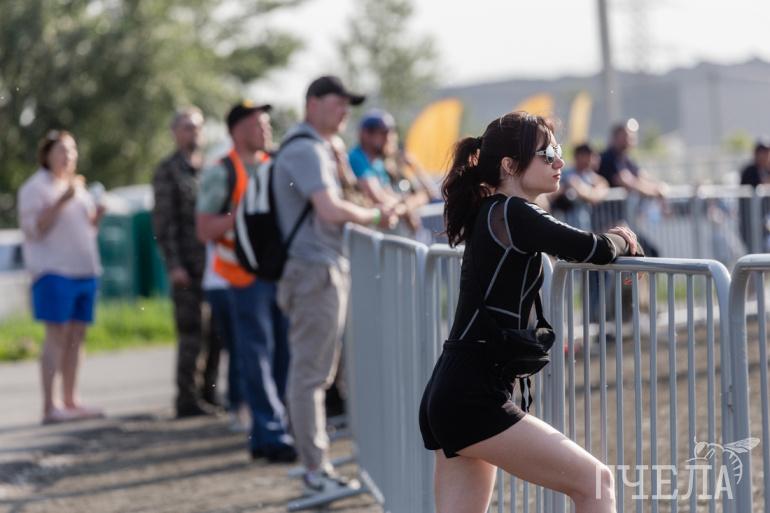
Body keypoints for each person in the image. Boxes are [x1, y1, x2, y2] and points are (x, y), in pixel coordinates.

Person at [419, 112, 642, 513]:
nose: (560, 161)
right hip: (473, 394)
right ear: (509, 165)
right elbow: (593, 249)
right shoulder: (513, 212)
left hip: (454, 388)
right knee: (597, 483)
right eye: (548, 153)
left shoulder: (493, 210)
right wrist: (622, 237)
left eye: (558, 150)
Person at [273, 75, 396, 494]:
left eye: (347, 103)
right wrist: (376, 216)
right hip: (313, 271)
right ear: (312, 104)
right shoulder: (306, 149)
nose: (345, 111)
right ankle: (315, 471)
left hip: (318, 269)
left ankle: (318, 466)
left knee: (316, 375)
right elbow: (328, 209)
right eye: (336, 102)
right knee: (311, 376)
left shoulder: (320, 147)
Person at [196, 101, 296, 463]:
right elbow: (204, 229)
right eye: (258, 124)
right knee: (256, 357)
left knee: (282, 356)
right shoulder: (221, 171)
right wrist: (241, 215)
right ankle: (272, 433)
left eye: (266, 123)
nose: (265, 129)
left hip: (278, 275)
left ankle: (269, 434)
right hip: (241, 279)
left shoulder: (276, 163)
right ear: (237, 130)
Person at [18, 130, 105, 425]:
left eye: (72, 150)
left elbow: (84, 230)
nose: (68, 156)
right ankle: (49, 407)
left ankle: (70, 400)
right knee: (56, 336)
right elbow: (35, 229)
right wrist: (61, 202)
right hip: (54, 272)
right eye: (61, 151)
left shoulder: (76, 187)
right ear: (47, 155)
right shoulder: (35, 188)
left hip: (84, 271)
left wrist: (97, 218)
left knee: (77, 337)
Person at [152, 107, 219, 418]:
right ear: (175, 133)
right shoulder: (168, 171)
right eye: (187, 127)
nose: (194, 133)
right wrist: (174, 264)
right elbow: (163, 224)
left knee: (216, 332)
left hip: (213, 265)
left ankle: (210, 392)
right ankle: (187, 398)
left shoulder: (210, 168)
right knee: (191, 332)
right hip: (187, 266)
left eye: (197, 127)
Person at [348, 109, 427, 231]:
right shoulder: (357, 157)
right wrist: (407, 208)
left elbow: (390, 196)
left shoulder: (378, 163)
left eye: (391, 132)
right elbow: (378, 198)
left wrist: (405, 205)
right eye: (384, 132)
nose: (390, 138)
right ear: (366, 134)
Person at [598, 122, 665, 257]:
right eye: (627, 137)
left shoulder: (626, 159)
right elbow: (625, 181)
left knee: (649, 252)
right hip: (605, 222)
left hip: (622, 221)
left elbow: (642, 177)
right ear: (616, 137)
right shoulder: (608, 158)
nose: (631, 140)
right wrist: (653, 191)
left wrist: (659, 187)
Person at [549, 143, 608, 231]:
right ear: (577, 156)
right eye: (586, 156)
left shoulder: (590, 177)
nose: (590, 160)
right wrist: (564, 189)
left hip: (584, 225)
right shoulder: (564, 173)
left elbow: (598, 192)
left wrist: (578, 188)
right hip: (563, 223)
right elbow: (551, 194)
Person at [738, 138, 770, 249]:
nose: (765, 155)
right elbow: (749, 191)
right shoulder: (749, 171)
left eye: (767, 152)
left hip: (766, 222)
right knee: (754, 252)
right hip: (751, 223)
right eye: (762, 152)